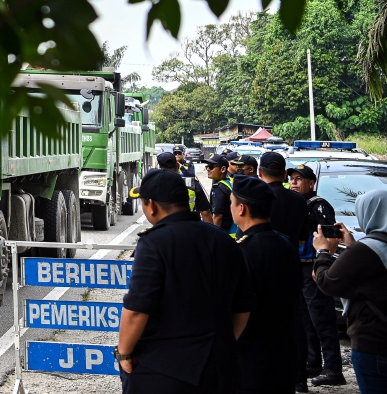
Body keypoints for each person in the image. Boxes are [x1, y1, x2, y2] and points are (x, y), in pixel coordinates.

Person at [117, 169, 253, 393]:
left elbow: (137, 309)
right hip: (221, 369)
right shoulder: (224, 241)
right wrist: (223, 345)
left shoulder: (154, 243)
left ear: (151, 205)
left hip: (164, 370)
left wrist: (124, 353)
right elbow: (243, 306)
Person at [313, 190, 387, 394]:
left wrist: (323, 251)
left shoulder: (363, 252)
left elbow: (327, 282)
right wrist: (351, 246)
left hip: (376, 346)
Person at [232, 175, 300, 394]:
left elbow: (239, 306)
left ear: (241, 209)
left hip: (251, 354)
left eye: (231, 203)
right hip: (284, 351)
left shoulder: (242, 250)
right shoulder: (284, 242)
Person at [258, 151, 311, 391]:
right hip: (291, 266)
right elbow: (302, 240)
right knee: (294, 322)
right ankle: (299, 377)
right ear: (284, 174)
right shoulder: (299, 201)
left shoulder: (258, 198)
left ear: (260, 173)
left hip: (260, 267)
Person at [290, 164, 345, 386]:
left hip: (314, 268)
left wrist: (322, 264)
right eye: (292, 179)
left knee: (322, 319)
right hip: (299, 268)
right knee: (305, 320)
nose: (294, 183)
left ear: (311, 183)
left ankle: (333, 369)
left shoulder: (319, 206)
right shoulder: (295, 204)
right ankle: (313, 362)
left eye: (299, 179)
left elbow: (332, 238)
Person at [157, 153, 211, 223]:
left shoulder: (157, 185)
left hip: (167, 228)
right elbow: (205, 213)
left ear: (160, 168)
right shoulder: (193, 183)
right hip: (191, 226)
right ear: (177, 165)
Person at [204, 154, 234, 232]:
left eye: (211, 167)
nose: (208, 169)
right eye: (207, 166)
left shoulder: (219, 188)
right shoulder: (228, 183)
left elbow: (217, 216)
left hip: (225, 233)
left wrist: (214, 236)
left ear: (223, 169)